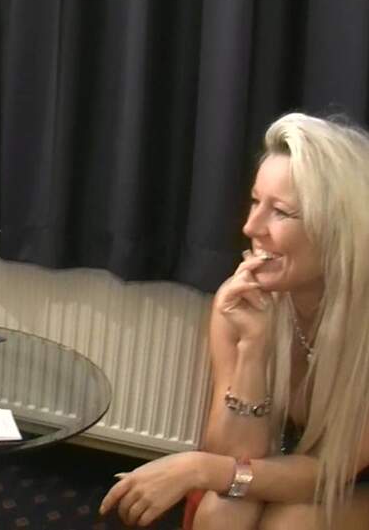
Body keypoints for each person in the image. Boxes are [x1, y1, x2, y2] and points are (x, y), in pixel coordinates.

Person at [99, 113, 369, 529]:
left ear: (337, 229)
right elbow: (233, 454)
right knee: (222, 511)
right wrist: (253, 351)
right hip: (288, 466)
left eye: (281, 212)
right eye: (256, 202)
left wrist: (197, 468)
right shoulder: (241, 302)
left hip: (350, 479)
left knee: (291, 524)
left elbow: (327, 473)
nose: (251, 226)